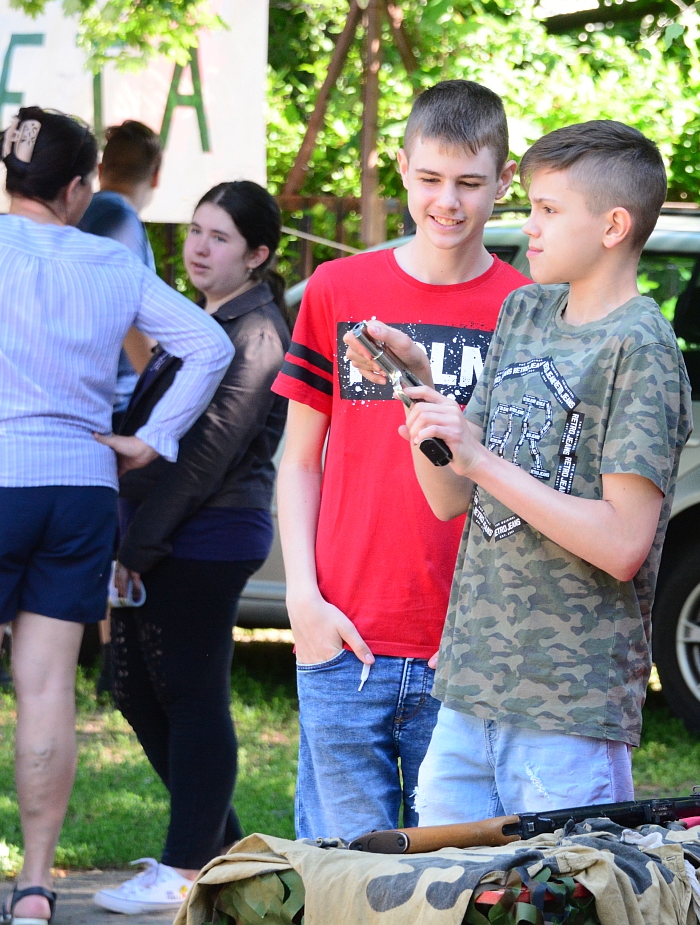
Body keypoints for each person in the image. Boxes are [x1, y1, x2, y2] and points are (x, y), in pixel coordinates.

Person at [0, 108, 230, 925]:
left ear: (11, 175)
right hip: (80, 487)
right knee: (47, 694)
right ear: (78, 187)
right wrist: (154, 437)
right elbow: (208, 345)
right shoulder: (111, 262)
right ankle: (35, 889)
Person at [347, 120, 691, 823]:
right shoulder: (525, 310)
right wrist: (416, 389)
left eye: (548, 210)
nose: (527, 226)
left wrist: (478, 457)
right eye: (530, 207)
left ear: (613, 225)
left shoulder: (642, 347)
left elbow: (624, 544)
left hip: (568, 711)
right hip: (470, 689)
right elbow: (451, 494)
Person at [270, 80, 530, 841]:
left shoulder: (527, 306)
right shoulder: (338, 288)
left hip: (470, 649)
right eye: (430, 179)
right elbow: (299, 459)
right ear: (403, 167)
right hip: (344, 635)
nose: (448, 201)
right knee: (345, 880)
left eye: (470, 184)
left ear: (503, 182)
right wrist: (301, 601)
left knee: (457, 885)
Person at [92, 182, 291, 915]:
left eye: (220, 237)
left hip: (208, 537)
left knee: (193, 695)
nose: (199, 247)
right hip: (162, 534)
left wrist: (138, 546)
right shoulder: (203, 318)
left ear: (258, 254)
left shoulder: (257, 332)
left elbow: (206, 454)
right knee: (137, 689)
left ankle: (182, 869)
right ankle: (232, 865)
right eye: (196, 230)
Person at [80, 120, 165, 428]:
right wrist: (156, 390)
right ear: (155, 176)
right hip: (112, 403)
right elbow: (125, 308)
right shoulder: (121, 221)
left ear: (100, 170)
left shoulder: (82, 214)